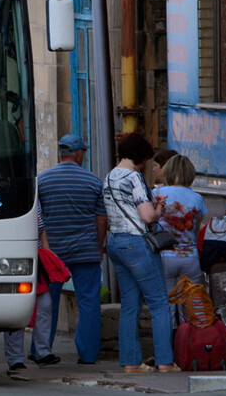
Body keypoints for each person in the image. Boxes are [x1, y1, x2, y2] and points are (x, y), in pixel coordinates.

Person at [103, 132, 179, 373]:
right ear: (139, 157)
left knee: (129, 305)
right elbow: (147, 217)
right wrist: (158, 209)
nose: (146, 164)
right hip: (137, 245)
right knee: (158, 303)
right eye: (145, 159)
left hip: (116, 242)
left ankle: (130, 362)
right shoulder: (135, 178)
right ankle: (165, 361)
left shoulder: (109, 177)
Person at [34, 133, 107, 365]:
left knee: (47, 302)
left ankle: (40, 350)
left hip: (52, 254)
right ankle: (87, 355)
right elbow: (102, 219)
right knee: (89, 303)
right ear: (78, 154)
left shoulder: (43, 181)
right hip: (86, 251)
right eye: (83, 152)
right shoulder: (94, 181)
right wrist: (98, 246)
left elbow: (37, 217)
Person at [4, 208, 66, 374]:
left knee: (45, 305)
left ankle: (42, 352)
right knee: (15, 310)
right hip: (11, 258)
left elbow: (42, 231)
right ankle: (15, 359)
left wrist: (47, 253)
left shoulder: (34, 198)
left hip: (35, 258)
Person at [151, 154, 206, 327]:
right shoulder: (197, 198)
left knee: (165, 308)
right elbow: (197, 229)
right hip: (190, 257)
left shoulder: (156, 193)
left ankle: (166, 351)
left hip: (164, 256)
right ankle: (189, 350)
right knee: (189, 309)